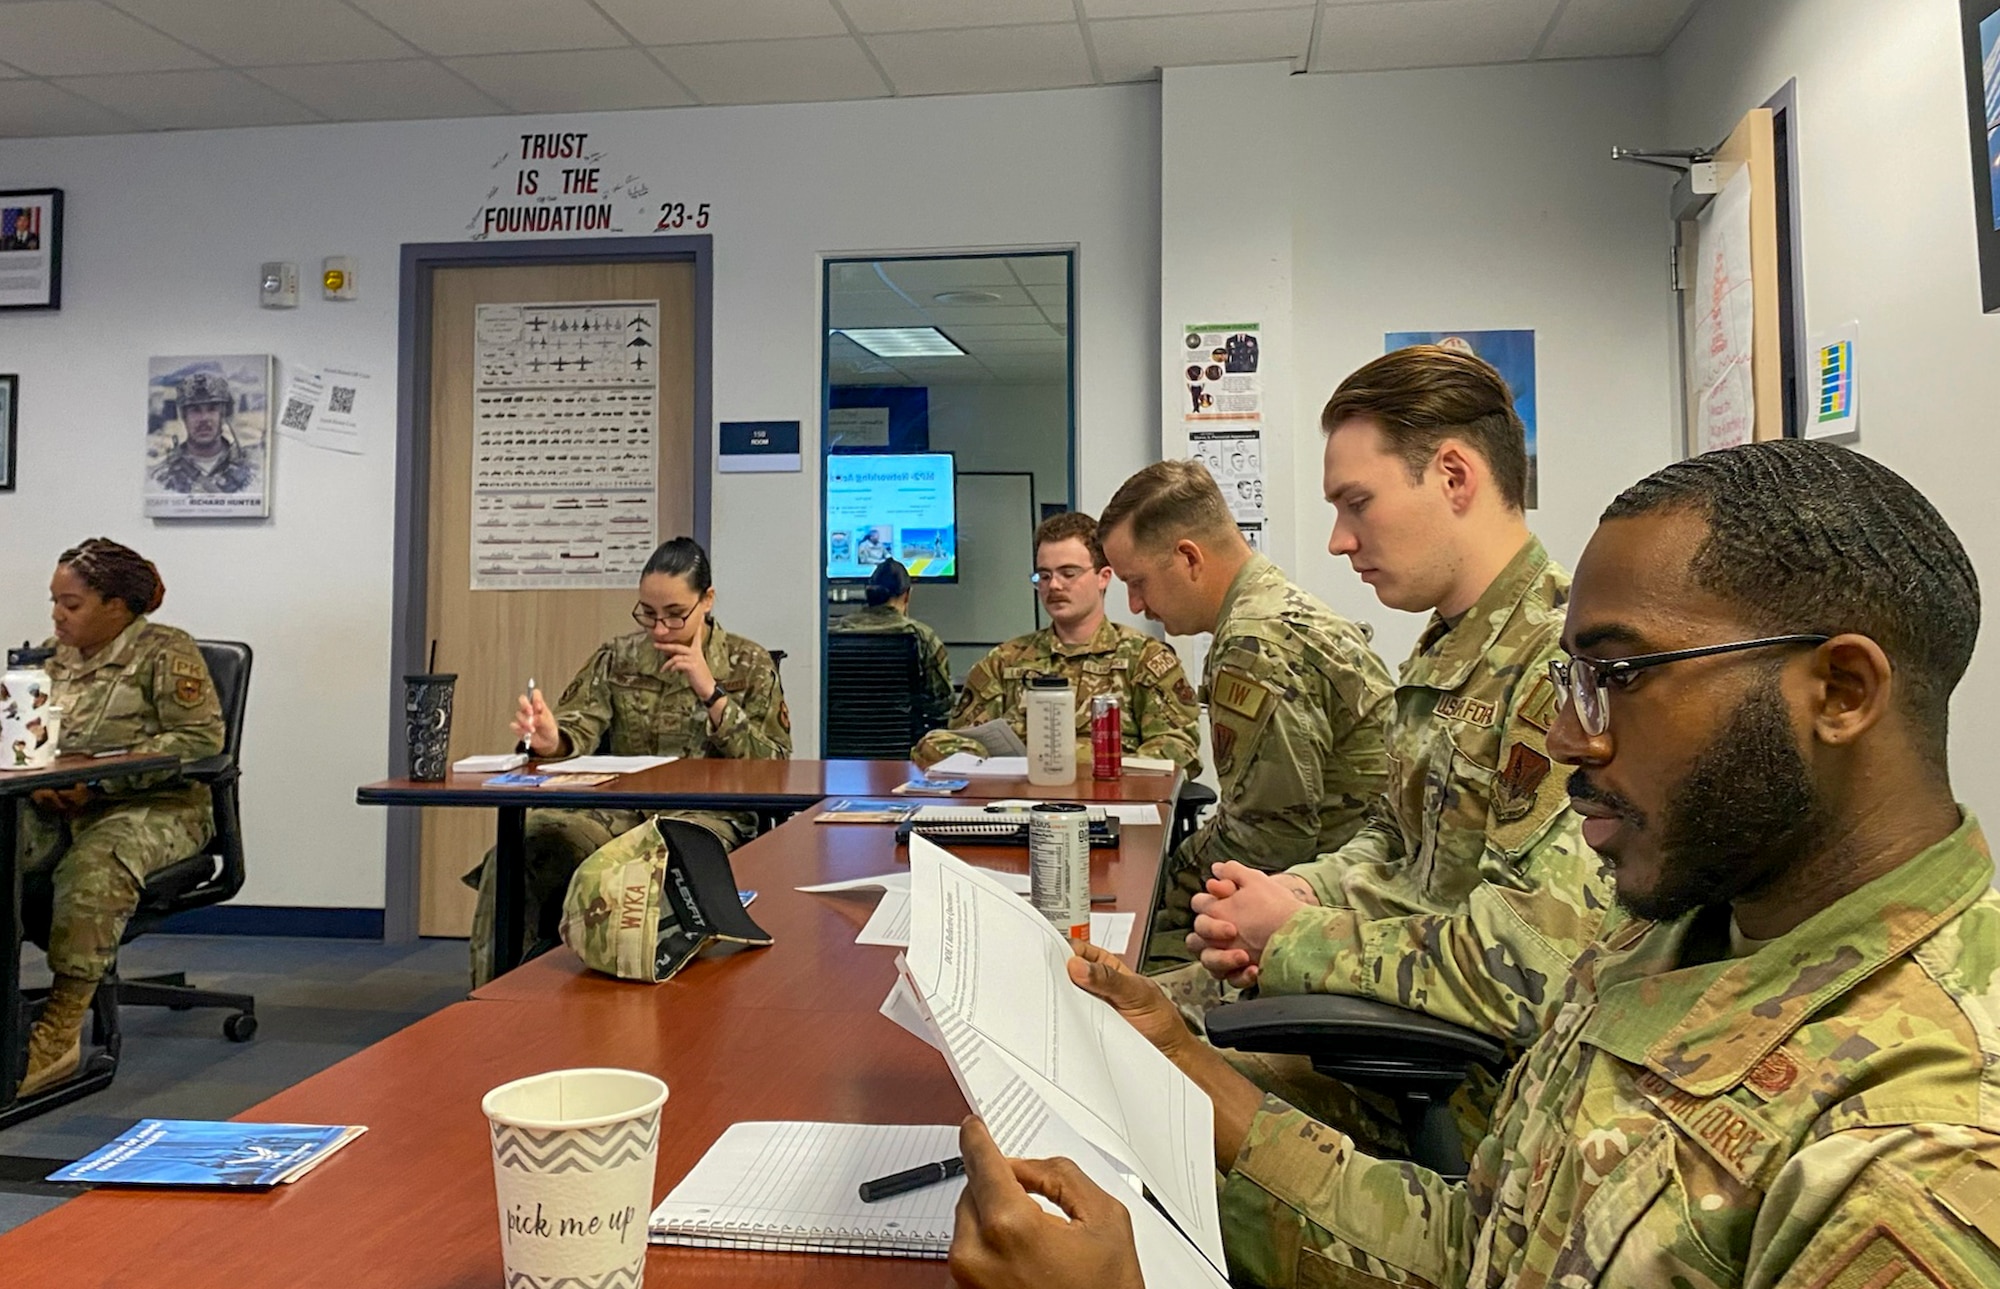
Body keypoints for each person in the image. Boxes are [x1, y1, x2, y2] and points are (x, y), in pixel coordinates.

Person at [950, 440, 2000, 1288]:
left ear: (1841, 690)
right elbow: (1479, 1245)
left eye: (1616, 676)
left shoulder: (1918, 1146)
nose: (1572, 739)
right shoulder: (1677, 929)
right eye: (1569, 680)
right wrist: (1184, 1062)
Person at [1167, 346, 1603, 1158]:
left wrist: (1293, 935)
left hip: (1493, 1110)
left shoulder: (1558, 667)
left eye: (1356, 503)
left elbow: (1534, 963)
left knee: (1152, 1097)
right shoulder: (1448, 647)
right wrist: (1297, 886)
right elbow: (1394, 843)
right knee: (1123, 1029)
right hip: (1397, 1028)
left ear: (1453, 476)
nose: (1338, 540)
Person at [1094, 460, 1392, 966]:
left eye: (1138, 581)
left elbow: (1272, 840)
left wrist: (1166, 880)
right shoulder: (1278, 606)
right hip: (1347, 882)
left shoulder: (1255, 644)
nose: (1137, 605)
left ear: (1188, 557)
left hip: (1333, 910)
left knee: (1117, 986)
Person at [464, 537, 790, 987]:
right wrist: (551, 739)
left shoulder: (748, 664)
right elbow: (579, 727)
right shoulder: (617, 657)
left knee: (652, 870)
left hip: (704, 815)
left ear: (707, 601)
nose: (659, 629)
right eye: (648, 614)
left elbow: (774, 764)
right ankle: (492, 999)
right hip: (615, 811)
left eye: (675, 614)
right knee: (524, 851)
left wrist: (712, 693)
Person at [16, 538, 225, 1098]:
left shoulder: (164, 651)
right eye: (54, 602)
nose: (57, 615)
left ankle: (60, 1030)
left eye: (72, 604)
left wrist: (101, 781)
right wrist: (39, 778)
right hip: (53, 803)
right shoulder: (46, 659)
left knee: (95, 868)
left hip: (155, 807)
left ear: (116, 605)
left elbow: (200, 741)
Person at [912, 511, 1200, 776]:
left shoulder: (1144, 659)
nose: (1055, 586)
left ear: (1103, 577)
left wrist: (1073, 765)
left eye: (1068, 573)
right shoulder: (1005, 662)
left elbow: (1178, 749)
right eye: (1044, 576)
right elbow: (951, 743)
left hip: (1114, 810)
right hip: (1018, 811)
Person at [827, 558, 952, 729]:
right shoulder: (922, 636)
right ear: (907, 594)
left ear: (868, 593)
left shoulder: (833, 632)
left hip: (842, 742)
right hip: (902, 744)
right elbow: (942, 701)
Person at [150, 371, 255, 495]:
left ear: (223, 416)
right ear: (184, 417)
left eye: (212, 409)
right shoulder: (161, 478)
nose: (204, 418)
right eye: (195, 410)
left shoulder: (251, 473)